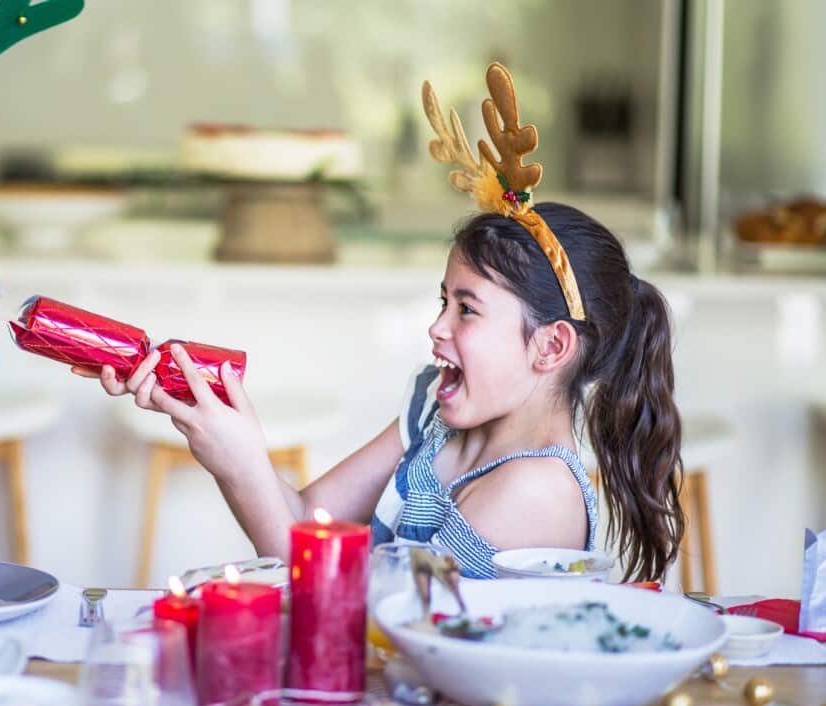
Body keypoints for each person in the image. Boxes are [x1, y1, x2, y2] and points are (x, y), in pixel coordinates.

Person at [84, 65, 685, 582]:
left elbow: (366, 620)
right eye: (442, 301)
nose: (437, 329)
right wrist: (222, 438)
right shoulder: (434, 410)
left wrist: (241, 464)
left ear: (551, 346)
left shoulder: (535, 491)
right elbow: (303, 523)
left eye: (467, 310)